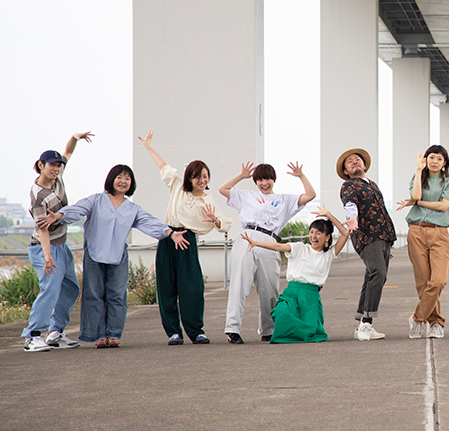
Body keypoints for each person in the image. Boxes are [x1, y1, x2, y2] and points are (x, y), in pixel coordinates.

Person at [38, 164, 187, 348]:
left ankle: (114, 334)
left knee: (117, 295)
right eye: (119, 177)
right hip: (94, 255)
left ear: (131, 183)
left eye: (127, 178)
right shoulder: (97, 200)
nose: (123, 181)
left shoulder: (133, 209)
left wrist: (170, 233)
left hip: (117, 256)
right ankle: (99, 335)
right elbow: (78, 209)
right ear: (111, 179)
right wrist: (59, 215)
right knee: (94, 296)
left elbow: (150, 222)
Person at [138, 131, 232, 345]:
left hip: (188, 240)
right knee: (166, 286)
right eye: (198, 176)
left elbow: (224, 223)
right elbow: (163, 165)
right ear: (189, 176)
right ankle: (174, 332)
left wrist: (214, 220)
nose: (202, 180)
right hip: (168, 236)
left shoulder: (208, 199)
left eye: (206, 176)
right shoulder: (178, 185)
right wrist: (148, 147)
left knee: (192, 287)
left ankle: (196, 331)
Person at [219, 161, 315, 344]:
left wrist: (301, 175)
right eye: (260, 179)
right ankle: (232, 328)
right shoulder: (246, 196)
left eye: (268, 179)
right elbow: (223, 189)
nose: (264, 183)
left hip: (270, 241)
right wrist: (241, 176)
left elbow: (310, 195)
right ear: (255, 181)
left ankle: (268, 329)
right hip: (248, 237)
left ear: (274, 180)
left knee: (269, 288)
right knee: (239, 283)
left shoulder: (285, 200)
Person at [22, 131, 93, 352]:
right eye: (52, 165)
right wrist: (48, 256)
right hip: (44, 247)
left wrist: (75, 137)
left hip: (61, 245)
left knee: (71, 288)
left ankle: (55, 332)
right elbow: (42, 229)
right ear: (40, 165)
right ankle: (33, 335)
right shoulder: (38, 195)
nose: (56, 168)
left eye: (58, 165)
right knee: (50, 289)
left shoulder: (58, 179)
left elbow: (68, 152)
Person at [239, 206, 349, 343]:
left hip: (311, 297)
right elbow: (279, 246)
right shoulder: (299, 248)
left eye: (318, 233)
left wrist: (328, 214)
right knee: (282, 312)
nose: (313, 236)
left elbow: (345, 233)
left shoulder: (328, 254)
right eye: (312, 232)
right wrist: (256, 243)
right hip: (292, 293)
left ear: (327, 237)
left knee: (311, 331)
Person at [395, 146, 449, 339]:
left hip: (439, 233)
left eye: (439, 158)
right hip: (416, 231)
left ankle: (417, 318)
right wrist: (418, 169)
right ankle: (436, 323)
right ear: (426, 159)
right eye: (431, 157)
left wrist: (418, 204)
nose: (435, 161)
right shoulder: (418, 179)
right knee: (423, 282)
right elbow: (415, 196)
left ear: (444, 163)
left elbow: (443, 205)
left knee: (438, 281)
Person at [338, 148, 396, 341]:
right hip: (367, 236)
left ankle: (362, 323)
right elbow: (350, 204)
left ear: (364, 165)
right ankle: (366, 323)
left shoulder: (372, 184)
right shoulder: (349, 185)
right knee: (378, 273)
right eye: (350, 162)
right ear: (346, 171)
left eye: (357, 160)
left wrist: (387, 244)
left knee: (373, 275)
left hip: (383, 237)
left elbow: (381, 210)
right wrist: (352, 219)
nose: (355, 162)